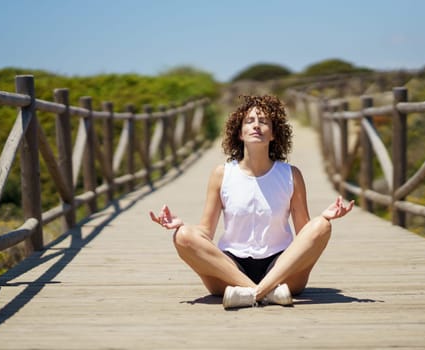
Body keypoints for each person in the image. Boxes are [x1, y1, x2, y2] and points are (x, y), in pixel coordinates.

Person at [150, 95, 354, 309]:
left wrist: (324, 219)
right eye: (249, 121)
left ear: (274, 134)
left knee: (322, 225)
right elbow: (205, 232)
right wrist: (181, 225)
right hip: (230, 268)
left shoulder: (290, 175)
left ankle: (251, 294)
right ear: (240, 132)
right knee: (183, 236)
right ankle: (266, 293)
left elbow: (304, 232)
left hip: (282, 267)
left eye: (264, 121)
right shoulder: (222, 174)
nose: (256, 126)